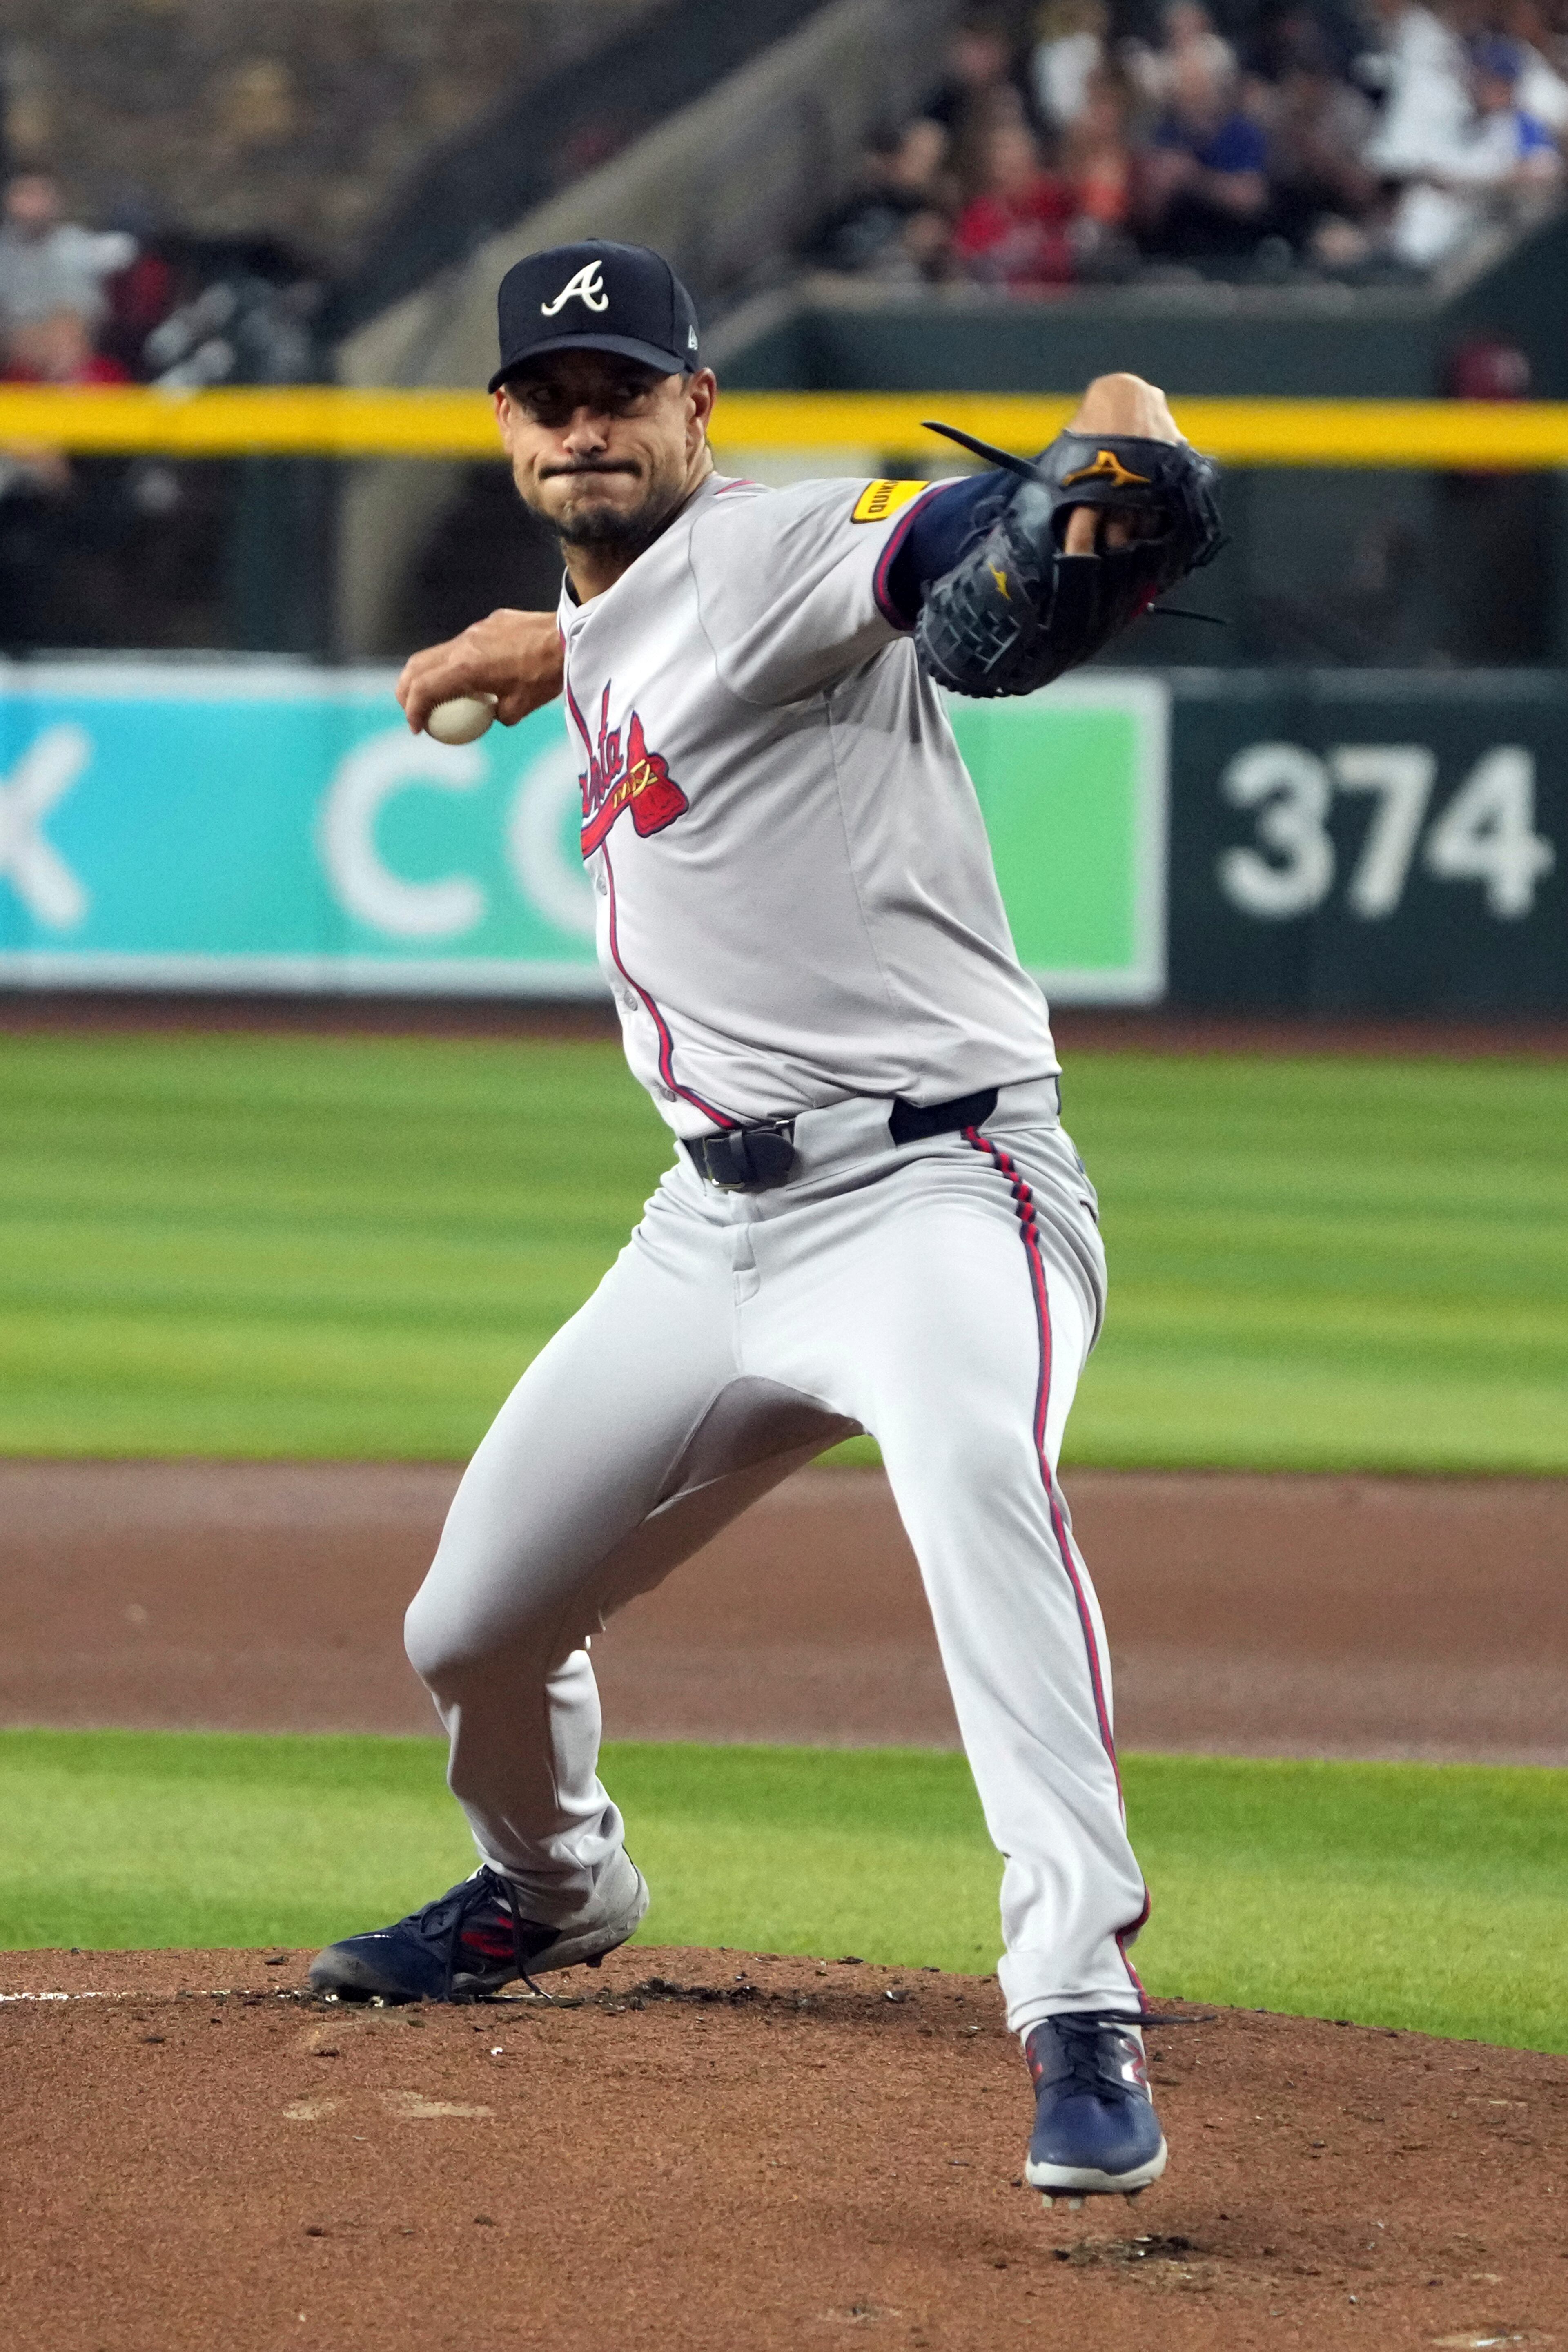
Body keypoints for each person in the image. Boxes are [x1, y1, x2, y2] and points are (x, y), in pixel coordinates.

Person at [307, 236, 1220, 2205]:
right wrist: (533, 646)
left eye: (621, 390)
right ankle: (554, 1890)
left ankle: (1075, 2001)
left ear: (694, 406)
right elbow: (645, 638)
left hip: (936, 1186)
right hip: (703, 1234)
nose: (584, 423)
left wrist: (1114, 444)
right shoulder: (620, 615)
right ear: (504, 429)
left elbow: (949, 549)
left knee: (975, 1469)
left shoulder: (791, 542)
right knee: (467, 1627)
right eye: (550, 398)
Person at [1138, 52, 1272, 260]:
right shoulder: (1167, 133)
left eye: (1199, 85)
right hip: (1174, 250)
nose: (1191, 94)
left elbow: (1250, 200)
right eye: (1185, 85)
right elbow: (1147, 215)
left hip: (1233, 251)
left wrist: (1193, 177)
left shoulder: (1241, 132)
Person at [953, 118, 1078, 288]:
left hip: (1060, 304)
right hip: (1004, 308)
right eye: (1000, 165)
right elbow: (968, 263)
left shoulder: (1057, 198)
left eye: (1013, 164)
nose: (1005, 171)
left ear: (1031, 161)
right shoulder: (980, 214)